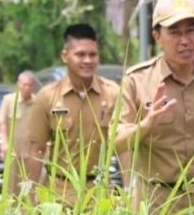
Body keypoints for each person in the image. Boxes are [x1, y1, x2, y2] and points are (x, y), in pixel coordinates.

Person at [114, 0, 194, 215]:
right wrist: (147, 124)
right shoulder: (137, 80)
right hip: (158, 206)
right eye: (175, 32)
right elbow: (115, 140)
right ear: (157, 36)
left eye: (191, 30)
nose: (185, 40)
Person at [14, 24, 119, 204]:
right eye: (80, 54)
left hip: (98, 192)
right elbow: (35, 150)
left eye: (92, 54)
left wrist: (129, 192)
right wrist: (28, 201)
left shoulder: (112, 94)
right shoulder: (48, 96)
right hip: (58, 194)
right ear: (65, 55)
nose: (87, 60)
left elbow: (125, 146)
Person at [0, 71, 38, 160]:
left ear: (33, 86)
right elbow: (2, 124)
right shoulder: (9, 100)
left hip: (32, 152)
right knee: (12, 174)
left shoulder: (38, 102)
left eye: (29, 85)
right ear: (19, 84)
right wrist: (3, 143)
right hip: (13, 151)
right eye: (24, 84)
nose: (27, 87)